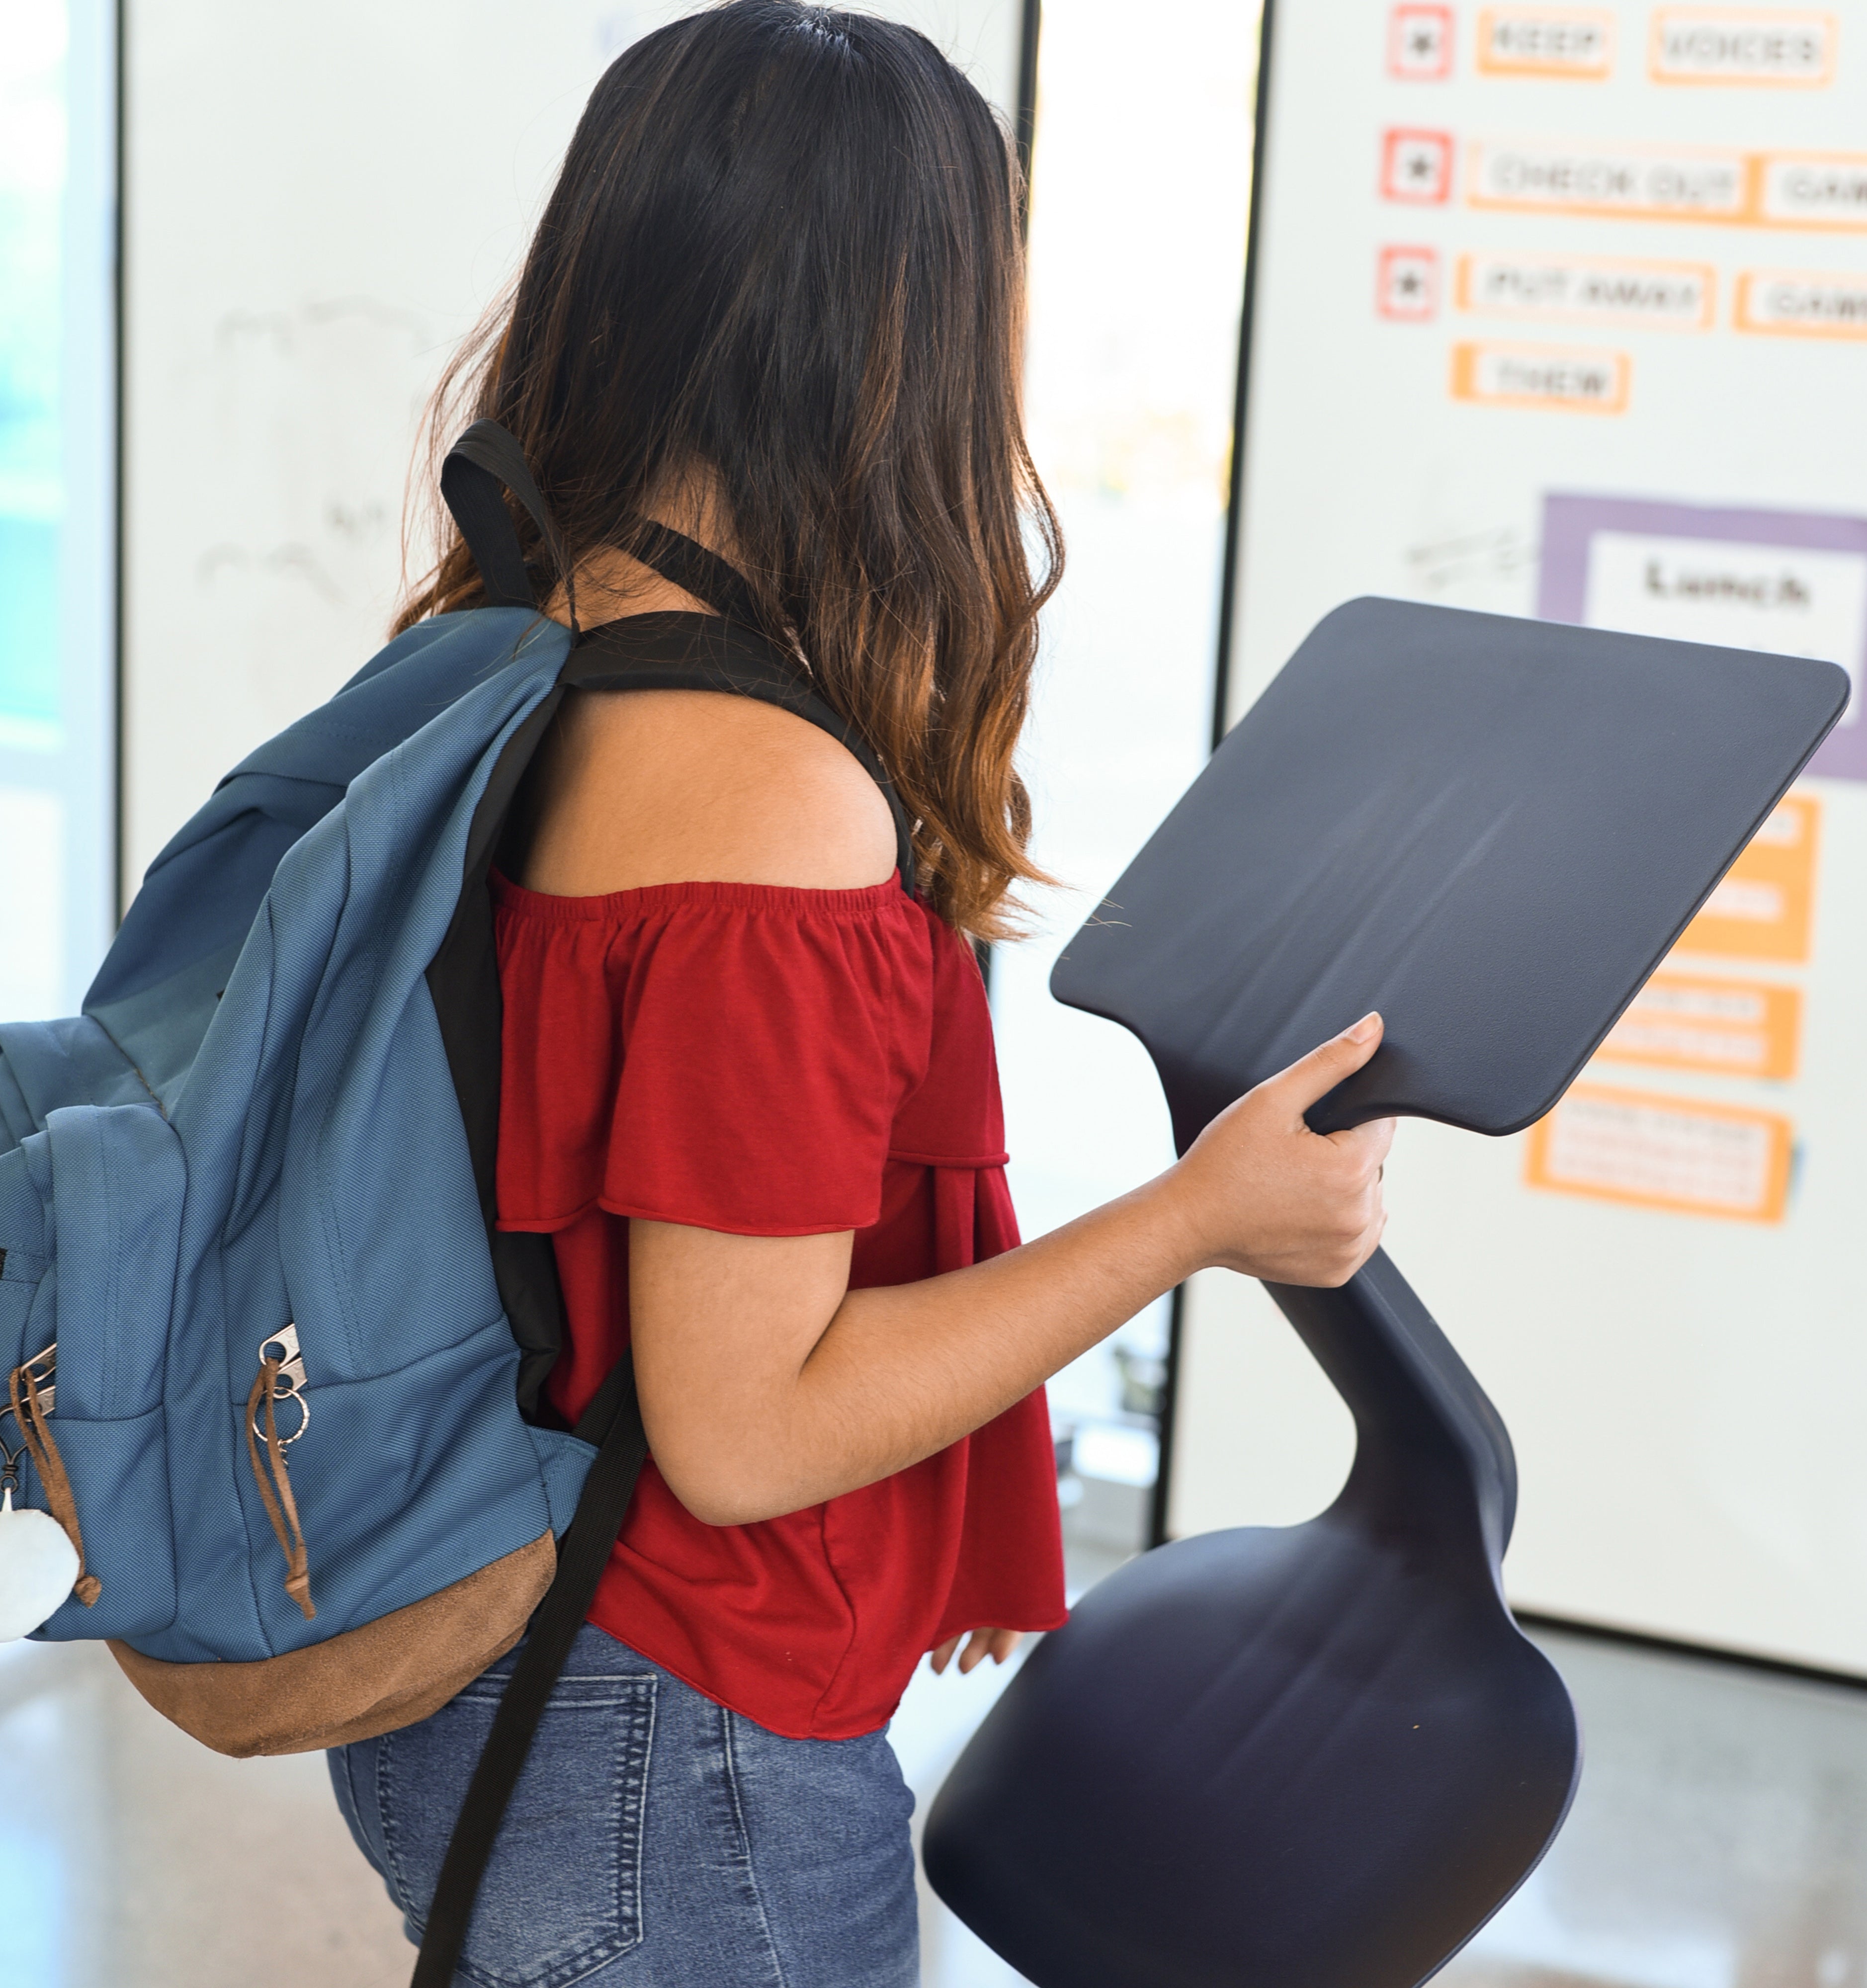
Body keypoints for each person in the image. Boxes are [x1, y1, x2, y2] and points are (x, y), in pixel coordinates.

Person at [327, 5, 1394, 1984]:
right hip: (661, 1734)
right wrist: (1198, 1219)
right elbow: (740, 1430)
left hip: (482, 1660)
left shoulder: (512, 643)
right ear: (895, 332)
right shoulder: (765, 805)